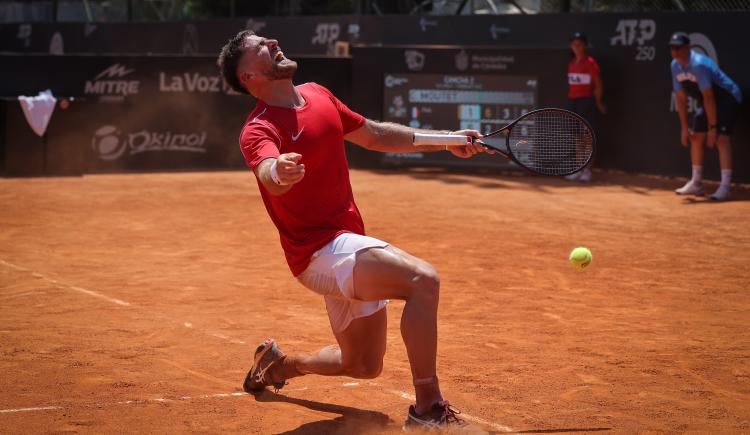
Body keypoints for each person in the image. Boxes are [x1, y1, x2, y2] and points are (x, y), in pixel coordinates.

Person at [218, 30, 486, 430]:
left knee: (362, 365)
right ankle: (427, 408)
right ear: (248, 77)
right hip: (317, 253)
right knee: (422, 280)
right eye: (260, 45)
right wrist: (280, 171)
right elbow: (267, 169)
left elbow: (375, 134)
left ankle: (280, 365)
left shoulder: (318, 94)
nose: (273, 41)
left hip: (347, 244)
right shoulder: (257, 128)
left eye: (270, 39)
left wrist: (446, 140)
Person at [669, 32, 742, 201]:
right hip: (710, 101)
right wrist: (683, 128)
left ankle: (725, 187)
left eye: (678, 47)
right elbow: (680, 98)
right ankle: (696, 183)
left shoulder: (699, 64)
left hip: (727, 97)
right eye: (672, 48)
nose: (675, 51)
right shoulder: (674, 66)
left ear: (688, 48)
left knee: (721, 139)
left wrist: (713, 127)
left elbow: (709, 98)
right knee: (695, 137)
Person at [564, 31, 605, 183]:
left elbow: (598, 85)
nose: (576, 47)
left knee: (587, 136)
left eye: (579, 44)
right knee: (577, 137)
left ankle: (587, 170)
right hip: (573, 102)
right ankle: (579, 168)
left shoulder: (590, 62)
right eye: (574, 44)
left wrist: (598, 102)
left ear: (585, 46)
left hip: (587, 102)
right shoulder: (571, 63)